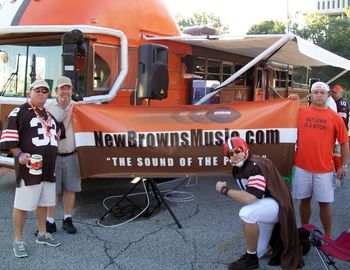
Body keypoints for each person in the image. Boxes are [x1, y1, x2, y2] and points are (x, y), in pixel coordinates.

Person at [0, 79, 71, 258]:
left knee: (43, 202)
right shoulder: (20, 111)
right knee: (22, 205)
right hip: (30, 168)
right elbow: (8, 137)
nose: (41, 93)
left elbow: (60, 131)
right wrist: (18, 155)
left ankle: (42, 234)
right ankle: (18, 240)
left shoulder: (47, 114)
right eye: (37, 90)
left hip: (47, 168)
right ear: (29, 92)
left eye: (44, 91)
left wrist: (70, 111)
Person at [216, 137, 303, 270]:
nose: (234, 155)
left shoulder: (253, 165)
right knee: (260, 252)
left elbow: (250, 198)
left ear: (245, 150)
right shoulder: (239, 167)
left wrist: (224, 190)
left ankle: (251, 259)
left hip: (276, 206)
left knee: (246, 213)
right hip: (265, 205)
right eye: (230, 153)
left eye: (237, 151)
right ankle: (290, 240)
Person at [289, 81, 349, 238]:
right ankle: (304, 233)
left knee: (324, 204)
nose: (319, 95)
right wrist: (291, 100)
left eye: (322, 92)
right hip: (302, 166)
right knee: (304, 201)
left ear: (328, 95)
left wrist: (344, 165)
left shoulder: (335, 118)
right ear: (311, 95)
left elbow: (344, 143)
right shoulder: (301, 113)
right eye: (316, 92)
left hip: (325, 169)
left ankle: (328, 237)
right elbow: (284, 116)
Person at [45, 76, 81, 234]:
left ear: (72, 90)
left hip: (72, 154)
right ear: (56, 91)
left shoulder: (80, 107)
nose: (65, 91)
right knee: (52, 189)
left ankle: (67, 219)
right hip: (53, 156)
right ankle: (50, 221)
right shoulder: (47, 108)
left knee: (70, 189)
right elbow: (56, 133)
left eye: (68, 88)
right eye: (62, 88)